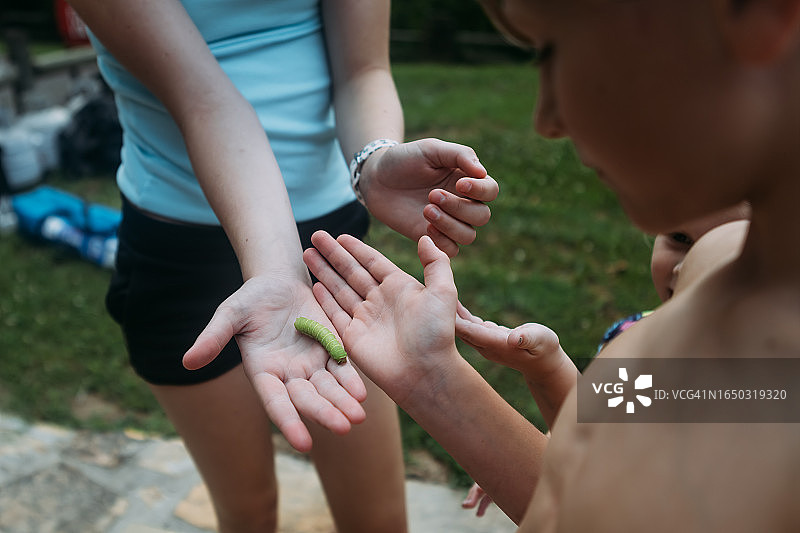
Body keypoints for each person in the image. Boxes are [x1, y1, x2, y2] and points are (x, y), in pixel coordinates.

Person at [302, 0, 800, 530]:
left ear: (760, 13)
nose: (546, 120)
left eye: (551, 49)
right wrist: (432, 376)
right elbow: (594, 464)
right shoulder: (720, 331)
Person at [67, 1, 498, 532]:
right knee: (247, 513)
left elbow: (364, 68)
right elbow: (205, 100)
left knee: (379, 518)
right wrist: (278, 270)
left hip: (329, 248)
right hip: (178, 249)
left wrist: (373, 160)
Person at [459, 208, 751, 516]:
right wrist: (526, 461)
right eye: (680, 238)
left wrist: (547, 368)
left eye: (727, 252)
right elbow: (584, 425)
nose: (683, 267)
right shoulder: (633, 335)